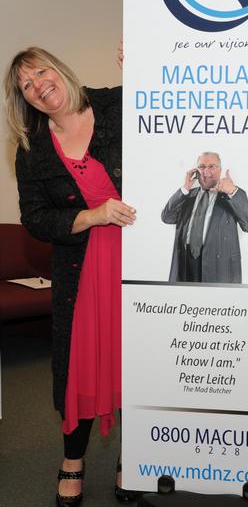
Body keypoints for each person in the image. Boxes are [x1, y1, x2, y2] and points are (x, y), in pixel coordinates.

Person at [4, 47, 138, 506]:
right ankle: (73, 460)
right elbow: (36, 219)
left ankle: (135, 457)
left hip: (138, 257)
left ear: (59, 70)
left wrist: (147, 70)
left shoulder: (116, 103)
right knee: (78, 363)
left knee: (135, 357)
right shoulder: (31, 146)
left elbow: (173, 120)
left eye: (41, 72)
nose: (39, 84)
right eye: (26, 84)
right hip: (80, 267)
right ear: (23, 99)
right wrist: (91, 214)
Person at [161, 152, 248, 283]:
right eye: (202, 166)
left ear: (220, 170)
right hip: (185, 267)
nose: (206, 171)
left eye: (212, 166)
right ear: (196, 170)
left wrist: (232, 192)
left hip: (218, 269)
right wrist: (184, 189)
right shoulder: (188, 195)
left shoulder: (231, 195)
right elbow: (167, 217)